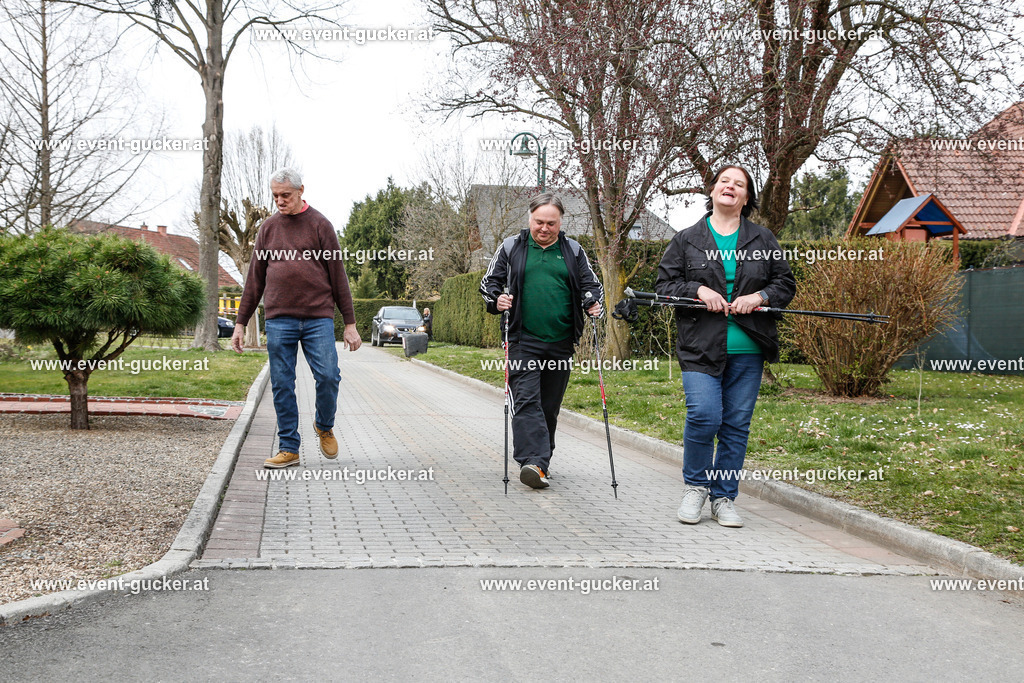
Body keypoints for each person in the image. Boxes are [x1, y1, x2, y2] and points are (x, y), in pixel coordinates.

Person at [655, 165, 795, 526]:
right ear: (713, 190)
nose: (730, 187)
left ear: (747, 198)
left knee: (735, 424)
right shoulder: (687, 239)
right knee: (704, 415)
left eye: (739, 184)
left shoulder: (763, 240)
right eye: (724, 182)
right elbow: (664, 287)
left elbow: (784, 285)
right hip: (700, 346)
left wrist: (760, 295)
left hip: (748, 348)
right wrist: (697, 290)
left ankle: (724, 497)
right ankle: (695, 488)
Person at [233, 168, 362, 469]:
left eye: (285, 195)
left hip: (318, 318)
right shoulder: (267, 229)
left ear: (301, 191)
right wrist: (240, 323)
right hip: (279, 320)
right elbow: (254, 280)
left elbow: (338, 277)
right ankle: (289, 448)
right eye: (275, 195)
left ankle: (324, 425)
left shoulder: (320, 225)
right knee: (282, 384)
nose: (280, 201)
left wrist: (351, 323)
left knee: (329, 376)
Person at [480, 193, 603, 489]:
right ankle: (532, 462)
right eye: (539, 222)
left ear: (560, 223)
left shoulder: (572, 250)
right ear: (529, 218)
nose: (544, 228)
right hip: (523, 338)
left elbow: (591, 284)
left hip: (561, 341)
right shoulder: (512, 247)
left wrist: (593, 302)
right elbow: (489, 283)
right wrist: (497, 300)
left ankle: (541, 463)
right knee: (526, 400)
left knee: (548, 406)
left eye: (551, 223)